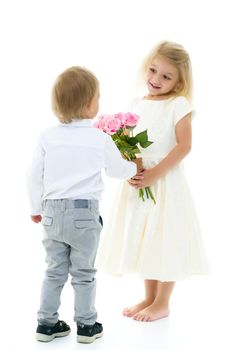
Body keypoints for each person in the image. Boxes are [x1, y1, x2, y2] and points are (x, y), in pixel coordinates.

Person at [96, 41, 209, 322]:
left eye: (166, 76)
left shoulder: (178, 104)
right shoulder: (136, 104)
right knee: (146, 238)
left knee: (165, 238)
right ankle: (148, 296)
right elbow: (129, 145)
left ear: (180, 82)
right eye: (153, 70)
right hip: (140, 180)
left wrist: (155, 174)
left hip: (165, 183)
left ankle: (163, 302)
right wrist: (133, 167)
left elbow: (184, 146)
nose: (156, 80)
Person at [26, 66, 142, 343]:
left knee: (54, 270)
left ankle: (46, 323)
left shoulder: (47, 136)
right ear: (91, 103)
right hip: (84, 215)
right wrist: (133, 167)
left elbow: (33, 175)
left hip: (52, 214)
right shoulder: (99, 138)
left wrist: (35, 209)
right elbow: (116, 171)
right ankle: (87, 327)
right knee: (84, 273)